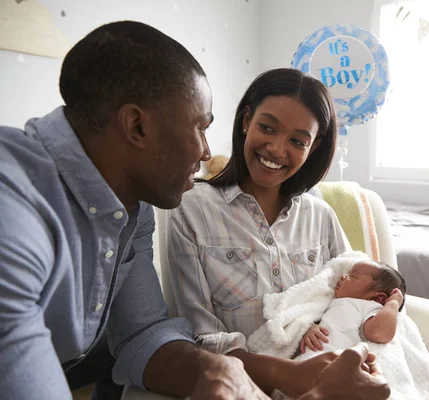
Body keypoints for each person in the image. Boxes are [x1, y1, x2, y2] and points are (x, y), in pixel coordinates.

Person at [0, 20, 389, 400]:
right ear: (136, 126)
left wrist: (220, 369)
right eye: (200, 127)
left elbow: (142, 335)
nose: (206, 152)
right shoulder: (12, 205)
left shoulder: (132, 211)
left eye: (298, 140)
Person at [167, 68, 389, 398]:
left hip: (329, 376)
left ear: (312, 148)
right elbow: (203, 334)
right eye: (267, 128)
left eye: (298, 141)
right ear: (246, 122)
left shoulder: (321, 217)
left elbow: (357, 299)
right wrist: (284, 375)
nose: (276, 148)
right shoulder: (191, 209)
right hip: (241, 386)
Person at [297, 259, 406, 359]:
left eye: (353, 276)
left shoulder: (370, 308)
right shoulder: (330, 301)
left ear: (377, 298)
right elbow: (312, 317)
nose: (343, 276)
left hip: (336, 365)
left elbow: (379, 333)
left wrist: (393, 303)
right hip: (309, 360)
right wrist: (311, 328)